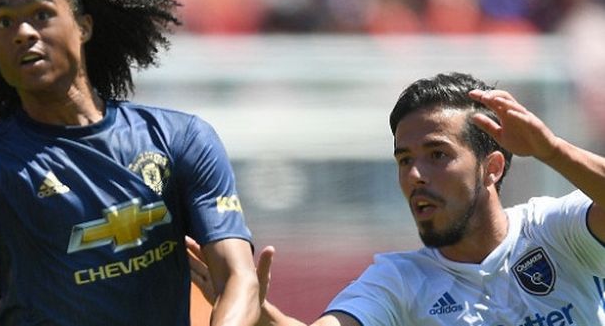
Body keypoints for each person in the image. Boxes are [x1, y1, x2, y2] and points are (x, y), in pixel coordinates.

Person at [0, 0, 259, 326]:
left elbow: (239, 279)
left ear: (84, 26)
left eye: (41, 13)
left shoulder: (179, 138)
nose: (22, 32)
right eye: (4, 22)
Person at [188, 72, 605, 325]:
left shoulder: (555, 232)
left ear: (491, 167)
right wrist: (259, 314)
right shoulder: (399, 281)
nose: (414, 176)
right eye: (404, 160)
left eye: (437, 155)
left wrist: (551, 150)